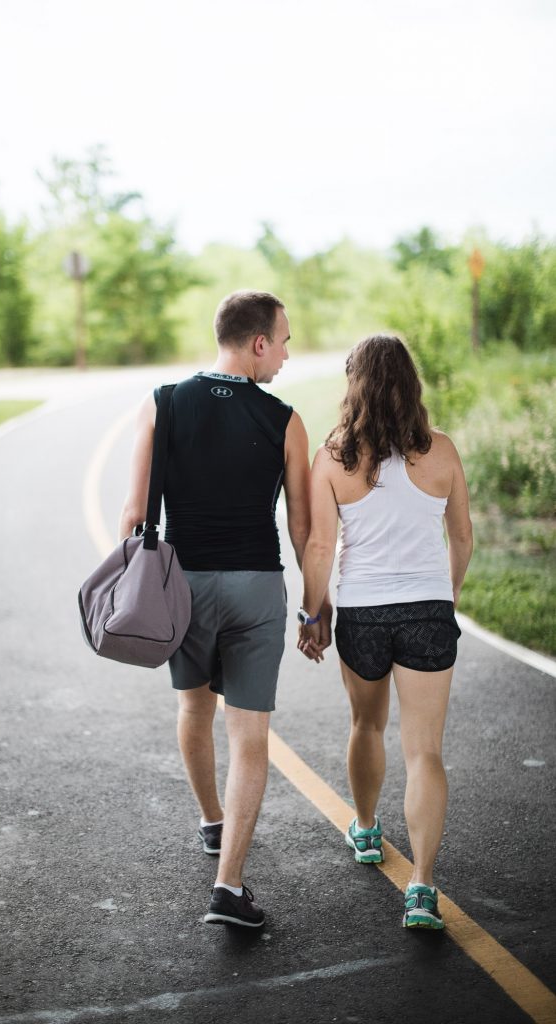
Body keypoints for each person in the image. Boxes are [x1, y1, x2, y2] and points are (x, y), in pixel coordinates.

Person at [119, 290, 320, 928]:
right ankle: (228, 886)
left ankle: (212, 819)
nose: (286, 355)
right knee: (250, 738)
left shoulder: (163, 405)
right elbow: (304, 528)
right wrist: (317, 607)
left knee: (193, 709)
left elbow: (132, 515)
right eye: (284, 341)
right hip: (257, 587)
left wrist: (132, 592)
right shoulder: (285, 420)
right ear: (258, 342)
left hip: (186, 583)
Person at [298, 334, 473, 930]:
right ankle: (422, 888)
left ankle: (367, 831)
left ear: (355, 385)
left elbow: (321, 546)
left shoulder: (335, 457)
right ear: (410, 383)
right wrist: (445, 598)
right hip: (426, 611)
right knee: (424, 752)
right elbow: (464, 537)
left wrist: (312, 612)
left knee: (365, 724)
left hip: (365, 613)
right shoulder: (442, 451)